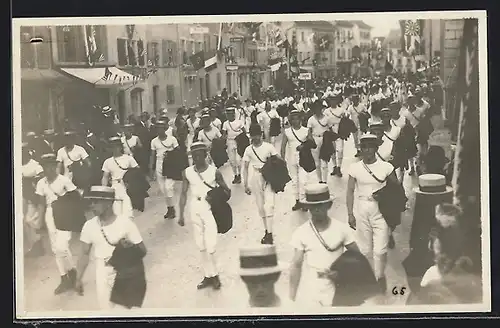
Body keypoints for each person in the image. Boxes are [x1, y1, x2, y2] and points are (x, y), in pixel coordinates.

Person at [75, 186, 146, 310]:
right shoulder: (89, 226)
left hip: (123, 272)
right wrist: (78, 278)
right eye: (91, 201)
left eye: (96, 202)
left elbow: (143, 251)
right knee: (105, 311)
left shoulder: (125, 224)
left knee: (124, 312)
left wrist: (131, 246)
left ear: (108, 203)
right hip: (102, 270)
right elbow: (84, 254)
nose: (92, 205)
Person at [346, 133, 399, 294]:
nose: (367, 151)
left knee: (380, 249)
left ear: (376, 149)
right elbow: (349, 191)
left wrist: (384, 194)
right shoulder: (355, 168)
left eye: (371, 147)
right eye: (364, 147)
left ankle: (380, 276)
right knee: (365, 248)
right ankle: (369, 277)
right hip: (362, 208)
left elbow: (397, 190)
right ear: (360, 149)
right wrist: (350, 214)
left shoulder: (386, 167)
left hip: (381, 209)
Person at [289, 183, 359, 307]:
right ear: (308, 207)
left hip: (337, 285)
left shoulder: (341, 229)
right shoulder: (301, 232)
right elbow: (296, 265)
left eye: (320, 205)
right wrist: (291, 297)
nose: (317, 210)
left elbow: (357, 256)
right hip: (312, 286)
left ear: (329, 205)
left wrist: (344, 273)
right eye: (312, 206)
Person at [178, 142, 231, 290]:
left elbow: (227, 191)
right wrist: (181, 214)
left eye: (199, 154)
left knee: (211, 245)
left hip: (210, 209)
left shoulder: (214, 172)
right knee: (200, 245)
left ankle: (215, 276)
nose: (196, 158)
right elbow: (183, 193)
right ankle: (208, 276)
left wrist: (215, 197)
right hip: (194, 208)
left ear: (205, 155)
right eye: (193, 155)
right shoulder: (187, 172)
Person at [35, 154, 78, 294]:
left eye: (51, 165)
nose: (48, 169)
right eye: (45, 166)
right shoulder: (41, 183)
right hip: (49, 214)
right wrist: (40, 222)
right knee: (56, 248)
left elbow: (76, 198)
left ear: (55, 166)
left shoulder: (64, 180)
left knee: (62, 246)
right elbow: (41, 204)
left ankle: (72, 272)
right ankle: (64, 277)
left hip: (64, 214)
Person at [242, 124, 279, 245]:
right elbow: (246, 167)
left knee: (269, 205)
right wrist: (245, 184)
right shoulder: (248, 150)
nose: (255, 138)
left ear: (261, 134)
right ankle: (267, 230)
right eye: (253, 136)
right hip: (256, 178)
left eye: (257, 135)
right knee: (261, 207)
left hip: (269, 177)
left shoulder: (269, 147)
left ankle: (270, 234)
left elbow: (279, 160)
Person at [101, 136, 139, 218]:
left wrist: (132, 181)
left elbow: (137, 171)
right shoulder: (107, 162)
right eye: (112, 147)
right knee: (117, 212)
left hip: (127, 186)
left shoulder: (128, 158)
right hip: (115, 187)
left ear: (120, 147)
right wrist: (104, 190)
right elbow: (105, 177)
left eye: (116, 146)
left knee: (128, 211)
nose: (115, 149)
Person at [281, 109, 310, 211]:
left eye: (297, 118)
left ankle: (304, 201)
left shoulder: (306, 131)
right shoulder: (287, 132)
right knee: (294, 181)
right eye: (292, 119)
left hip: (304, 158)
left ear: (300, 119)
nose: (295, 121)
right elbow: (283, 146)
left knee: (303, 181)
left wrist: (304, 146)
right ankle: (297, 201)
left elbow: (312, 144)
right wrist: (283, 159)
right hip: (292, 158)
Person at [149, 119, 179, 219]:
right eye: (157, 129)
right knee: (163, 189)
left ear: (165, 129)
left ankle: (172, 209)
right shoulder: (154, 141)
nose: (159, 130)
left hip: (170, 165)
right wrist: (151, 168)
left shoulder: (172, 139)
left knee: (168, 187)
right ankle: (170, 208)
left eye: (161, 128)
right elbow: (152, 155)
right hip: (159, 164)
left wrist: (170, 155)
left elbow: (178, 151)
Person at [22, 143, 44, 256]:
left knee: (29, 220)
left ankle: (37, 244)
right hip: (21, 196)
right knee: (23, 220)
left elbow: (41, 176)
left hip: (31, 196)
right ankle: (33, 245)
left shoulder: (34, 164)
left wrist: (30, 179)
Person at [307, 101, 331, 184]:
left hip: (325, 140)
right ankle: (320, 180)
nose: (317, 110)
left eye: (319, 108)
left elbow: (330, 130)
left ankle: (325, 181)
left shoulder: (327, 118)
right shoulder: (311, 119)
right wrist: (311, 140)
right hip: (315, 139)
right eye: (315, 108)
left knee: (324, 162)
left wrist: (331, 142)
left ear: (321, 109)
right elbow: (309, 132)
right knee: (317, 163)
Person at [324, 96, 347, 177]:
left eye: (334, 100)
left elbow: (345, 120)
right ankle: (334, 167)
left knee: (340, 150)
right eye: (331, 100)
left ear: (337, 101)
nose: (333, 102)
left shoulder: (341, 110)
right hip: (330, 131)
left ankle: (339, 167)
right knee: (332, 150)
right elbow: (325, 121)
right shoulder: (326, 111)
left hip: (339, 131)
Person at [222, 107, 245, 184]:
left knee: (238, 160)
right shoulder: (225, 124)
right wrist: (223, 142)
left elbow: (244, 132)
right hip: (230, 142)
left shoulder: (239, 122)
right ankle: (235, 175)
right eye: (228, 114)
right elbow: (224, 134)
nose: (230, 116)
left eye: (231, 114)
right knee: (232, 160)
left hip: (239, 142)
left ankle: (239, 175)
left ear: (234, 114)